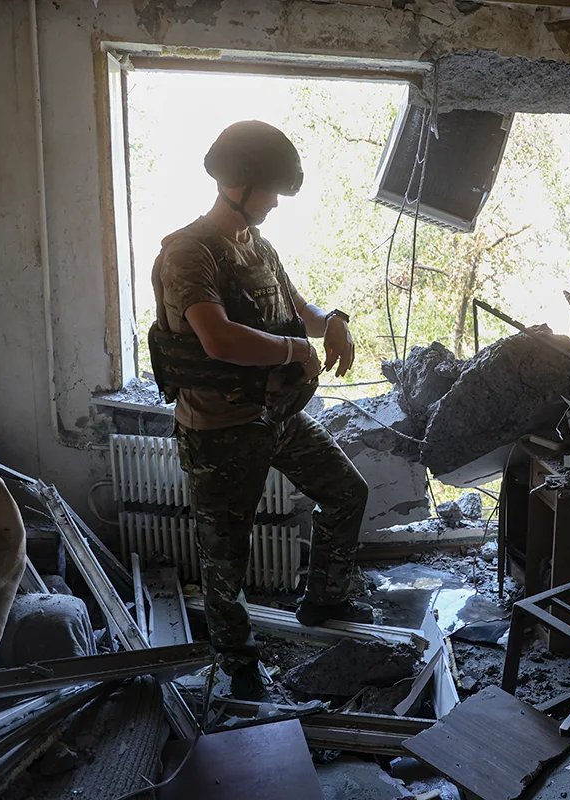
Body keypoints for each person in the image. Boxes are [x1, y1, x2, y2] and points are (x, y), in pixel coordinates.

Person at [148, 120, 373, 700]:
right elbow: (218, 339)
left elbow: (304, 314)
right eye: (270, 190)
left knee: (347, 492)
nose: (275, 202)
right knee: (226, 561)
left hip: (272, 418)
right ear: (239, 185)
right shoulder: (188, 252)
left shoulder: (260, 247)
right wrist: (295, 349)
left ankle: (324, 599)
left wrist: (335, 322)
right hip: (218, 430)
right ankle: (240, 664)